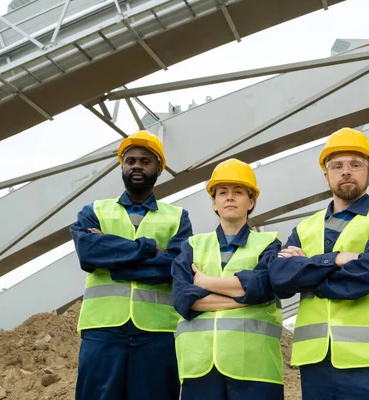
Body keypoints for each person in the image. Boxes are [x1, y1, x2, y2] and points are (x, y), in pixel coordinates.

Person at [269, 128, 369, 400]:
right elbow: (279, 278)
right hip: (315, 361)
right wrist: (334, 260)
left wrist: (309, 273)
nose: (346, 171)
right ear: (326, 176)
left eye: (355, 164)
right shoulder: (305, 227)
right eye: (337, 166)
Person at [71, 130, 192, 400]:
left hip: (157, 334)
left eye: (145, 161)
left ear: (159, 169)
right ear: (122, 167)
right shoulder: (94, 211)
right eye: (130, 161)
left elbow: (175, 268)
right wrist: (147, 248)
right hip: (102, 331)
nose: (136, 165)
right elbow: (89, 254)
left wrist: (115, 263)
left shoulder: (177, 217)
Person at [171, 158, 284, 400]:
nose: (229, 197)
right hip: (199, 368)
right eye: (222, 192)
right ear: (214, 202)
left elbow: (263, 286)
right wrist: (244, 297)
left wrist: (204, 283)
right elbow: (182, 299)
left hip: (255, 368)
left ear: (251, 201)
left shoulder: (269, 244)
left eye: (238, 192)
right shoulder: (191, 246)